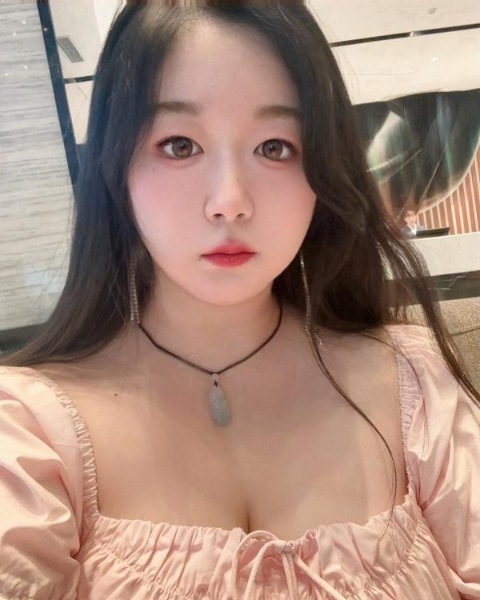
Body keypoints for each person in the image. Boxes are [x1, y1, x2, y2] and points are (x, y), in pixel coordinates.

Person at [0, 2, 479, 599]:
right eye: (179, 144)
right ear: (115, 169)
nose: (230, 200)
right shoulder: (28, 438)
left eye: (275, 146)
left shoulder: (415, 383)